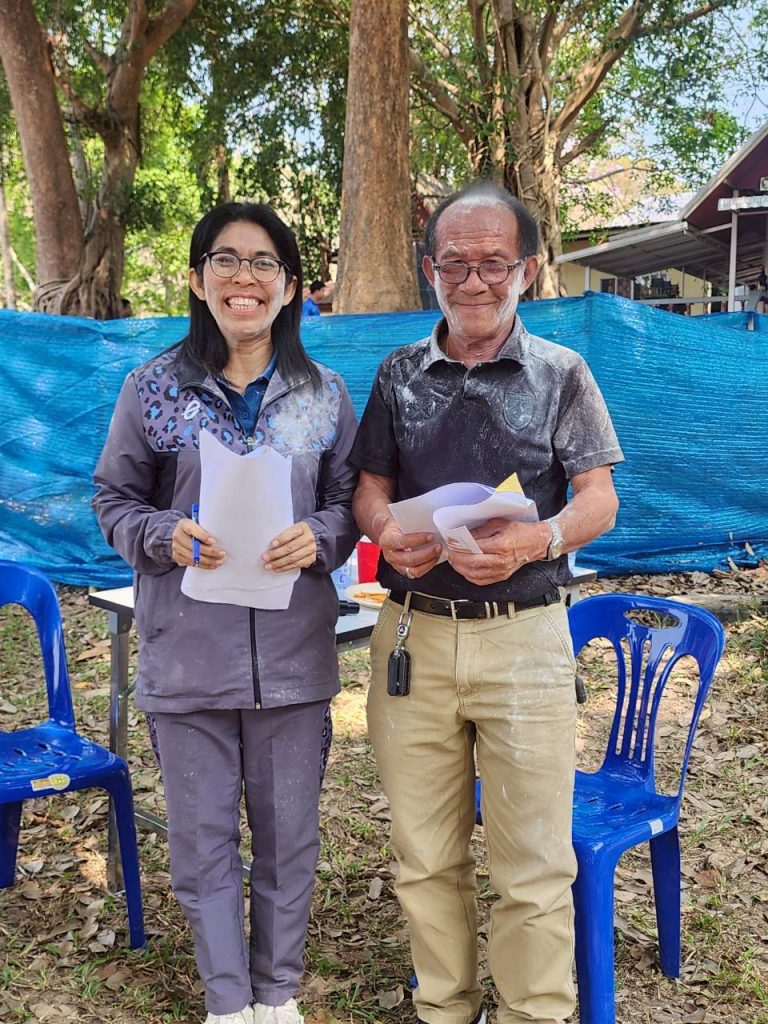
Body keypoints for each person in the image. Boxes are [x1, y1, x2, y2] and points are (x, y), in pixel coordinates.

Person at [350, 179, 623, 1024]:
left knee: (534, 862)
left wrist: (539, 539)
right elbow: (370, 488)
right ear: (430, 270)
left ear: (528, 270)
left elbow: (599, 499)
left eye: (493, 264)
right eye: (455, 264)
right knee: (424, 855)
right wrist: (384, 531)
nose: (474, 282)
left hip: (526, 638)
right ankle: (445, 1007)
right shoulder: (398, 374)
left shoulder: (562, 373)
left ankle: (533, 1012)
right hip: (413, 638)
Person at [93, 202, 359, 1024]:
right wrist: (162, 534)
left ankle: (277, 996)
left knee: (288, 840)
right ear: (197, 278)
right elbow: (113, 499)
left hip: (292, 658)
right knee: (202, 842)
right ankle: (227, 1003)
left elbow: (351, 501)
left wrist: (320, 536)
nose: (246, 277)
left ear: (291, 287)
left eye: (264, 262)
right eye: (227, 260)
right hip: (187, 658)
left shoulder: (323, 394)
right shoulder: (152, 388)